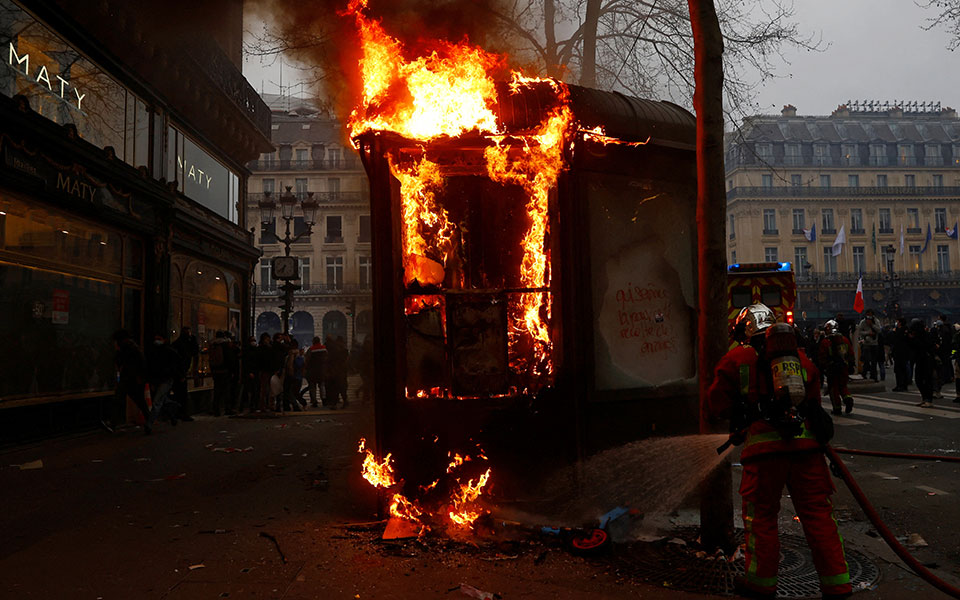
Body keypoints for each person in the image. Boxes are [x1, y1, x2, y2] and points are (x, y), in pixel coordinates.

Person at [709, 304, 851, 600]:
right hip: (807, 450)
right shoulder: (799, 360)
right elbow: (812, 397)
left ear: (743, 330)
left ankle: (761, 584)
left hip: (764, 453)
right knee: (818, 516)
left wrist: (743, 415)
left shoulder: (736, 358)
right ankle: (838, 584)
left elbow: (716, 404)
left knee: (760, 518)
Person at [112, 330, 150, 434]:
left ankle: (113, 423)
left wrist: (140, 377)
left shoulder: (131, 349)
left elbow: (140, 364)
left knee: (137, 400)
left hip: (132, 379)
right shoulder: (130, 348)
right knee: (137, 400)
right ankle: (113, 422)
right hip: (131, 379)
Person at [145, 334, 182, 429]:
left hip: (166, 379)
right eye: (156, 339)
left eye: (159, 339)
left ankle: (149, 424)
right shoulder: (153, 352)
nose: (157, 341)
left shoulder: (169, 352)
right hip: (158, 379)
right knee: (162, 399)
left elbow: (177, 365)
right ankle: (173, 412)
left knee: (157, 401)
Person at [818, 320, 855, 416]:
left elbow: (822, 357)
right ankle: (848, 399)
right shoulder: (845, 339)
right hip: (844, 366)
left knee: (833, 389)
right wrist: (851, 365)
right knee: (843, 386)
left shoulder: (825, 342)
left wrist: (823, 368)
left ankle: (837, 408)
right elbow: (850, 353)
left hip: (832, 368)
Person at [171, 326, 199, 422]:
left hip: (180, 372)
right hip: (180, 373)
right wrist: (181, 374)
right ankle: (181, 413)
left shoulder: (177, 344)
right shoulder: (183, 345)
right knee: (181, 394)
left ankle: (177, 413)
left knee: (178, 394)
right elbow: (192, 353)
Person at [911, 319, 936, 408]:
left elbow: (925, 346)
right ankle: (924, 398)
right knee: (919, 379)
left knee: (927, 380)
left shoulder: (925, 335)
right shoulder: (918, 335)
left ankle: (928, 399)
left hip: (926, 359)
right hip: (920, 359)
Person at [854, 310, 881, 382]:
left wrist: (872, 325)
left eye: (870, 315)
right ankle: (864, 374)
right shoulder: (863, 322)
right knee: (866, 360)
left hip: (874, 343)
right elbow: (859, 332)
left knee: (874, 361)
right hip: (866, 343)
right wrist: (867, 333)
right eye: (867, 315)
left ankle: (874, 376)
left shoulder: (876, 321)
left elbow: (879, 330)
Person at [208, 331, 230, 417]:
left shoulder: (212, 345)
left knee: (217, 391)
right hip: (224, 370)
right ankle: (227, 408)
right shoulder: (225, 345)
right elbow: (228, 358)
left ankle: (216, 409)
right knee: (226, 391)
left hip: (215, 371)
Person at [304, 336, 328, 408]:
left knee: (312, 387)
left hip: (312, 371)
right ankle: (324, 400)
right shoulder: (324, 348)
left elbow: (307, 360)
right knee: (322, 386)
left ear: (313, 341)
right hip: (321, 370)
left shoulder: (311, 349)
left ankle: (314, 402)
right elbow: (327, 358)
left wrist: (305, 369)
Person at [281, 340, 305, 412]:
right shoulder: (300, 354)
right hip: (298, 376)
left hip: (291, 376)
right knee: (295, 392)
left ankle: (295, 405)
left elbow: (289, 365)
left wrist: (289, 373)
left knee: (289, 392)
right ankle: (299, 404)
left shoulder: (291, 354)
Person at [238, 336, 260, 414]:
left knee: (250, 390)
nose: (254, 342)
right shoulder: (249, 351)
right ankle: (248, 406)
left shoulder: (250, 350)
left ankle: (248, 406)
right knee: (249, 390)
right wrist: (250, 372)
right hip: (250, 373)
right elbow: (247, 363)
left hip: (252, 373)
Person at [891, 318, 912, 392]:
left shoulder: (899, 331)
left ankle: (900, 385)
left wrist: (894, 332)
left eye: (897, 322)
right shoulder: (907, 330)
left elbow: (895, 340)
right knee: (904, 369)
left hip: (899, 352)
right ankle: (904, 385)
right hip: (904, 353)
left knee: (899, 370)